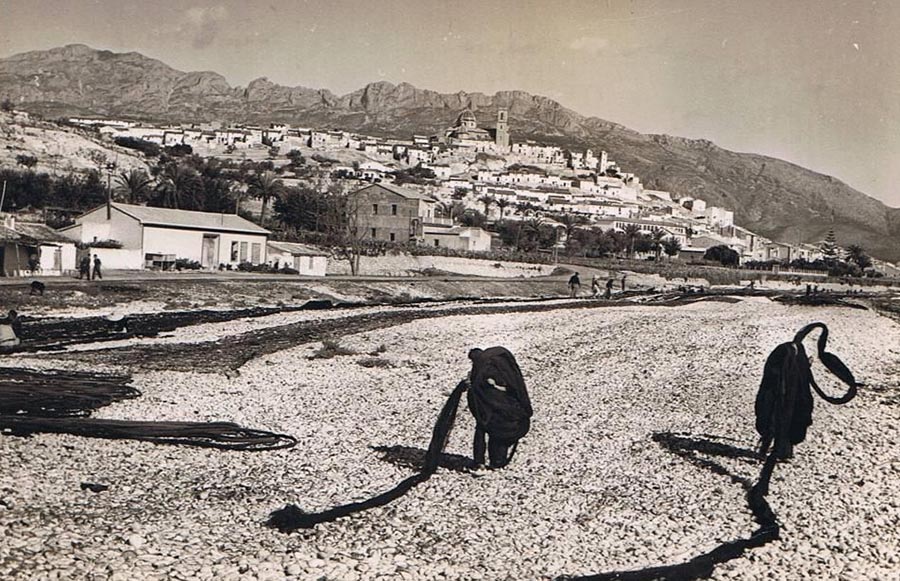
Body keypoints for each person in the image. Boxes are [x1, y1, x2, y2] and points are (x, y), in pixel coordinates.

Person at [466, 347, 532, 469]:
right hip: (500, 412)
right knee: (498, 437)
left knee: (486, 432)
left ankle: (481, 462)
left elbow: (482, 390)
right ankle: (496, 462)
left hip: (489, 412)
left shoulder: (484, 371)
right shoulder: (496, 368)